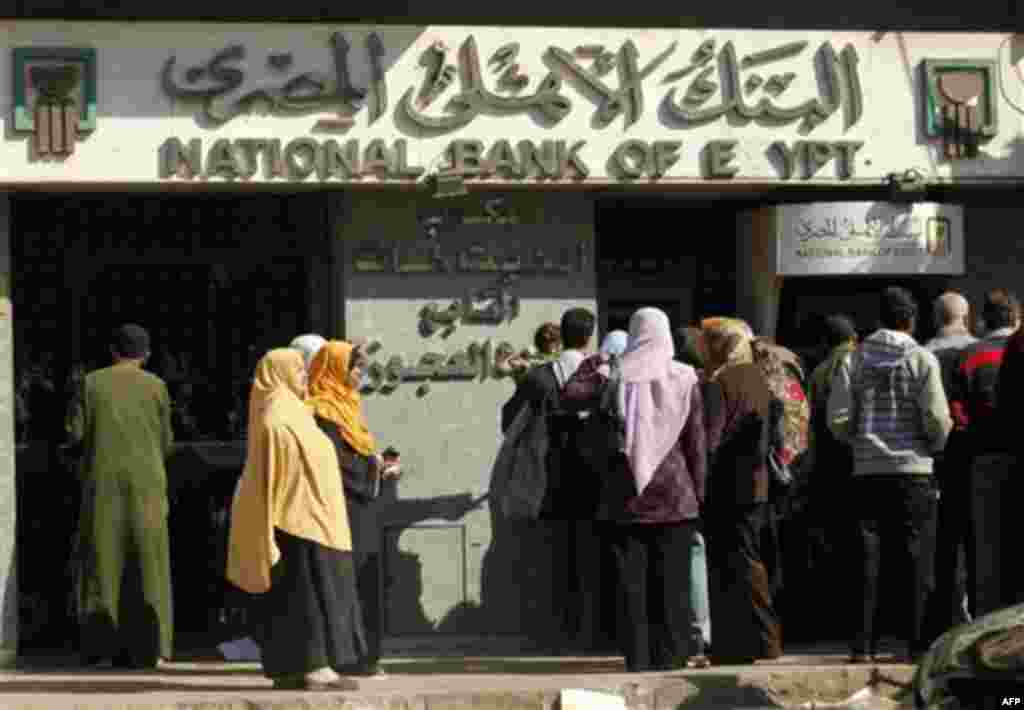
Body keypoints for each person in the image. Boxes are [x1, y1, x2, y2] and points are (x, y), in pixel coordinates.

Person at [563, 307, 705, 672]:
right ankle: (671, 660)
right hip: (675, 499)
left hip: (624, 498)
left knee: (632, 589)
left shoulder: (615, 372)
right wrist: (700, 495)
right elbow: (696, 444)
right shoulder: (685, 376)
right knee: (672, 588)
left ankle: (639, 661)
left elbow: (570, 393)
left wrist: (602, 360)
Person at [227, 349, 364, 690]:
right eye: (297, 369)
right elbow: (272, 474)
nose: (304, 374)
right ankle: (312, 667)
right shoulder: (278, 416)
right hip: (295, 520)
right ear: (279, 373)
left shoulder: (294, 411)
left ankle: (293, 669)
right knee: (306, 598)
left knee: (302, 597)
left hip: (311, 518)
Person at [828, 287, 952, 663]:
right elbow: (935, 417)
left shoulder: (854, 360)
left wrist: (859, 441)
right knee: (916, 561)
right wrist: (934, 443)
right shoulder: (922, 359)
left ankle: (861, 646)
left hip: (866, 472)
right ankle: (915, 647)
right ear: (911, 319)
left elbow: (838, 419)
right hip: (914, 472)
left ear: (879, 320)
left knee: (866, 561)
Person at [68, 324, 174, 669]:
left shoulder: (90, 383)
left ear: (113, 351)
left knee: (103, 562)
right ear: (146, 355)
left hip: (102, 486)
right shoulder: (157, 387)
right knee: (149, 564)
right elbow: (166, 442)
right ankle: (152, 648)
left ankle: (101, 649)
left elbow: (75, 435)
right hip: (148, 487)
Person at [499, 307, 600, 650]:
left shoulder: (539, 378)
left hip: (548, 478)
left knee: (552, 557)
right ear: (589, 336)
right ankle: (587, 631)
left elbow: (509, 422)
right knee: (587, 554)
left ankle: (553, 632)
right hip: (590, 478)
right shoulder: (600, 372)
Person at [306, 340, 401, 678]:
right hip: (339, 511)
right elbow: (333, 462)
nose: (361, 373)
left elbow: (356, 455)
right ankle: (345, 657)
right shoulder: (320, 410)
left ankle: (365, 656)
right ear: (336, 370)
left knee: (364, 582)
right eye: (356, 367)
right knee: (344, 582)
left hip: (361, 509)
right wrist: (373, 468)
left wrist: (378, 464)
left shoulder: (347, 406)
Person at [699, 317, 784, 665]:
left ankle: (747, 641)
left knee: (730, 563)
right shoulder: (758, 377)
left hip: (727, 485)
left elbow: (712, 439)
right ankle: (759, 640)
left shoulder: (720, 381)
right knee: (749, 557)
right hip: (756, 483)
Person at [951, 289, 1019, 617]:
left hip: (984, 460)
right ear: (1015, 317)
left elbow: (958, 415)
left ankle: (987, 622)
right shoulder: (1015, 347)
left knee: (987, 548)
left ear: (982, 320)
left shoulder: (969, 355)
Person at [921, 292, 976, 644]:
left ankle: (939, 620)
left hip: (932, 459)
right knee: (974, 538)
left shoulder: (922, 353)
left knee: (940, 542)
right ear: (966, 317)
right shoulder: (979, 351)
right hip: (973, 457)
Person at [803, 315, 858, 641]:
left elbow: (812, 427)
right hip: (860, 466)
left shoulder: (821, 371)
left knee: (834, 549)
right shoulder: (863, 361)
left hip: (828, 470)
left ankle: (835, 619)